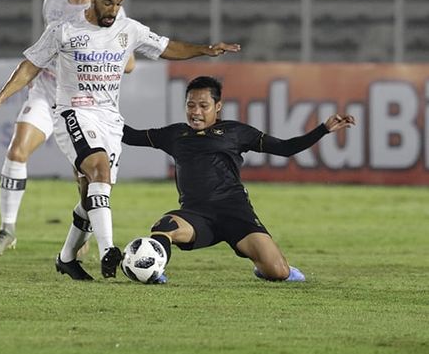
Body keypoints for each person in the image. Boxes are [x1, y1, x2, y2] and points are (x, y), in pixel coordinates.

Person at [0, 0, 240, 280]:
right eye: (107, 2)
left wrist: (204, 50)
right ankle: (109, 250)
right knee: (98, 169)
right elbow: (29, 66)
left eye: (118, 2)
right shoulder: (64, 29)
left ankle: (66, 257)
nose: (113, 9)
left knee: (93, 195)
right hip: (73, 112)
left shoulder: (128, 29)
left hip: (110, 120)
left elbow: (167, 47)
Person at [122, 76, 356, 283]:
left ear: (218, 106)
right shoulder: (175, 134)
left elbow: (285, 148)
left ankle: (267, 266)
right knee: (164, 227)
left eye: (203, 106)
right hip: (196, 215)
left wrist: (322, 130)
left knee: (278, 272)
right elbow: (130, 136)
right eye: (190, 105)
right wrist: (97, 113)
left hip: (236, 213)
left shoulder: (236, 132)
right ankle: (153, 271)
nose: (196, 112)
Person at [0, 0, 135, 257]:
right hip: (46, 92)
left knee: (85, 177)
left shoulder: (112, 10)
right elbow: (44, 49)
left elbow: (129, 62)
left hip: (84, 101)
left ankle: (84, 235)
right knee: (17, 150)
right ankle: (7, 229)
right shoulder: (52, 4)